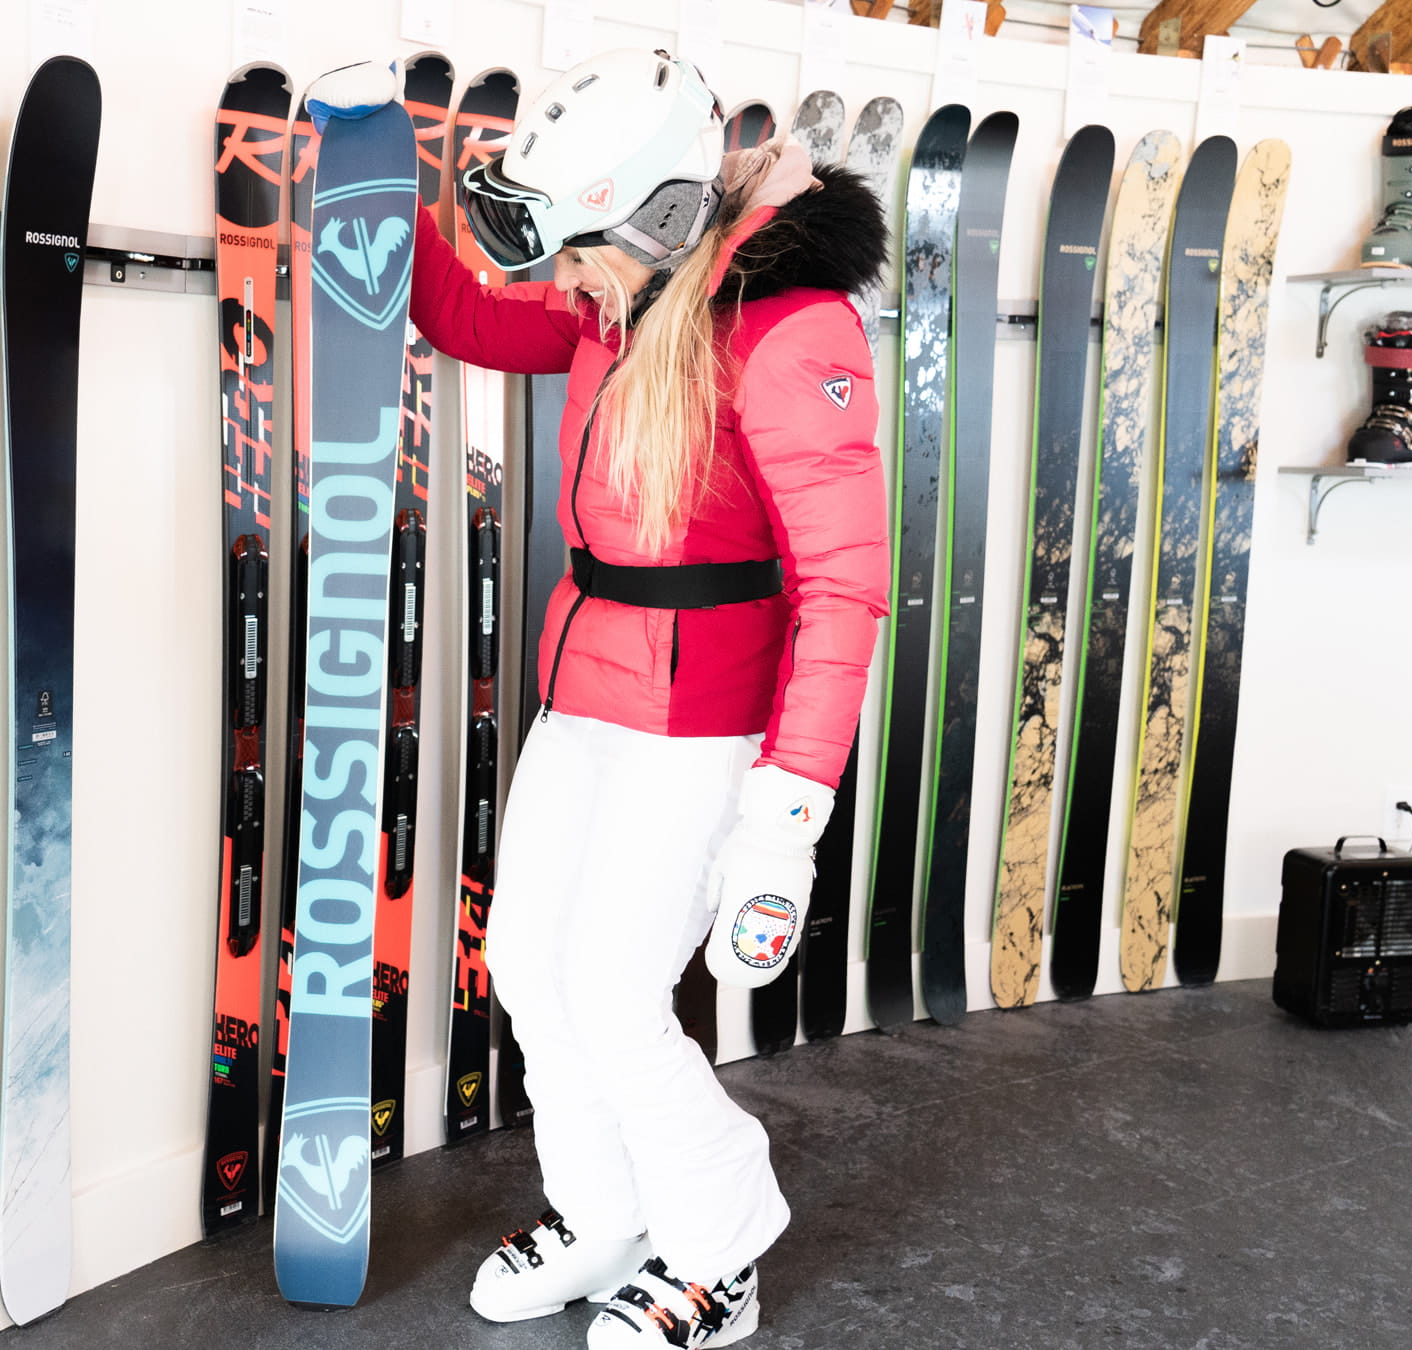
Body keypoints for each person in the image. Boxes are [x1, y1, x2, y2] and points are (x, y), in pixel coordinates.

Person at [317, 49, 890, 1348]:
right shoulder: (623, 301)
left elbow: (846, 589)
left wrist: (782, 821)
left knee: (620, 990)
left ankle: (716, 1248)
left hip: (712, 714)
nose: (559, 280)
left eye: (577, 249)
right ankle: (606, 1212)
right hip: (588, 686)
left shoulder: (791, 329)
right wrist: (378, 166)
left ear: (662, 219)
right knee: (528, 962)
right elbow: (466, 316)